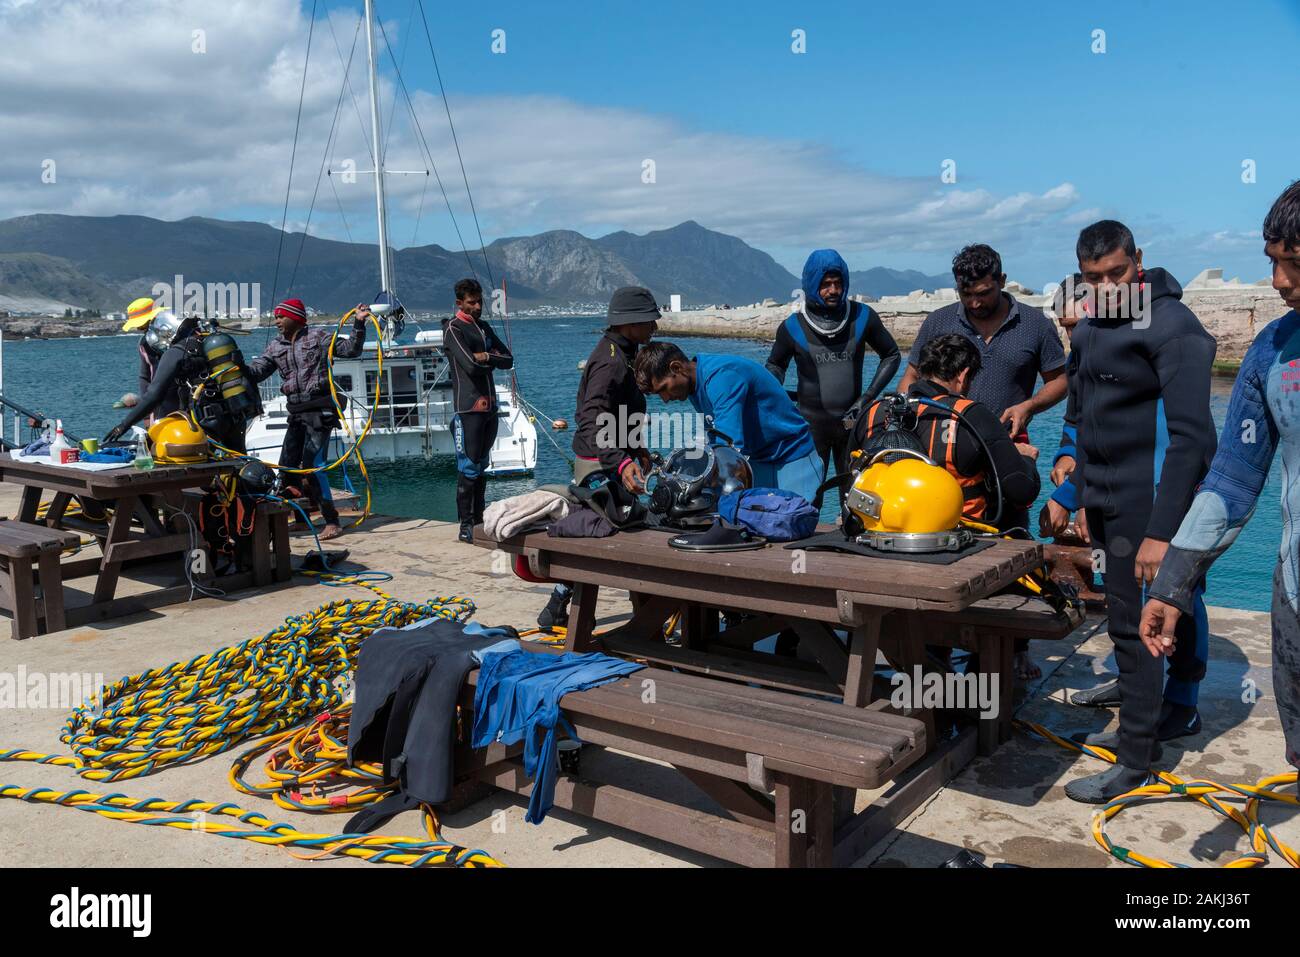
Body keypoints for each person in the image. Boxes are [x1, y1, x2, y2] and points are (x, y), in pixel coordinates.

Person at [1140, 181, 1300, 776]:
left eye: (1295, 262)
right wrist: (1172, 585)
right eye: (1274, 262)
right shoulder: (1271, 352)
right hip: (1294, 596)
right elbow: (1233, 480)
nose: (1279, 281)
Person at [1057, 219, 1217, 804]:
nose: (1106, 288)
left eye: (1117, 274)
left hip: (1146, 504)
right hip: (1102, 500)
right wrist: (1076, 498)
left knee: (1137, 628)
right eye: (1093, 278)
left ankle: (1137, 762)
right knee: (1122, 622)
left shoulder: (1173, 327)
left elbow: (1193, 439)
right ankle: (1146, 728)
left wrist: (1161, 531)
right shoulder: (1093, 324)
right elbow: (1081, 418)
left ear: (1139, 261)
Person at [898, 244, 1066, 530]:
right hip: (945, 457)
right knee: (938, 528)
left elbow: (1061, 381)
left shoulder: (1035, 325)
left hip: (1008, 449)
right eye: (966, 294)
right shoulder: (939, 321)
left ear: (1002, 281)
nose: (975, 303)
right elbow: (911, 378)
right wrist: (902, 425)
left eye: (984, 293)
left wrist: (1029, 406)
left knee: (1011, 532)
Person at [538, 286, 659, 629]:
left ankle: (561, 607)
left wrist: (638, 450)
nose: (655, 326)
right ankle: (641, 619)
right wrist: (620, 462)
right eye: (649, 319)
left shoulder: (625, 353)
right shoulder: (610, 360)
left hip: (616, 457)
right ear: (629, 322)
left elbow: (623, 414)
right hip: (600, 462)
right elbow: (591, 420)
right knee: (611, 533)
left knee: (609, 531)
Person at [860, 333, 1040, 530]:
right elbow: (1021, 491)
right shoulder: (971, 415)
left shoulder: (874, 412)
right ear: (963, 375)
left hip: (884, 530)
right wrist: (1026, 458)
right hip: (960, 533)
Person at [766, 249, 900, 480]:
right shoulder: (793, 327)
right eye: (826, 284)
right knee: (810, 497)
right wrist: (778, 398)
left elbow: (891, 355)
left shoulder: (862, 316)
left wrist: (866, 398)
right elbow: (775, 367)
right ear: (811, 283)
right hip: (810, 427)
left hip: (852, 423)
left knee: (854, 495)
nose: (834, 291)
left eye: (838, 283)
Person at [246, 298, 370, 542]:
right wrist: (233, 365)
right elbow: (257, 372)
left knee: (312, 465)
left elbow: (350, 350)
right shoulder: (275, 346)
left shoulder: (318, 338)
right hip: (297, 412)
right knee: (287, 468)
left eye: (281, 316)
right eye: (276, 316)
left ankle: (332, 521)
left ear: (295, 317)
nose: (277, 321)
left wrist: (358, 323)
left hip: (321, 410)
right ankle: (302, 520)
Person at [634, 342, 821, 502]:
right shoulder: (692, 383)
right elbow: (715, 438)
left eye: (663, 389)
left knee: (793, 525)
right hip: (760, 459)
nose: (665, 399)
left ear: (676, 368)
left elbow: (729, 447)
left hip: (793, 458)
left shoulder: (722, 376)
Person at [104, 310, 253, 453]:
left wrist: (124, 425)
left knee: (204, 468)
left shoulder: (176, 352)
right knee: (239, 462)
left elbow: (154, 395)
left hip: (206, 421)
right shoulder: (209, 343)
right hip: (234, 414)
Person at [444, 278, 514, 544]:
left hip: (489, 408)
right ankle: (465, 524)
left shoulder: (483, 327)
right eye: (471, 302)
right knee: (469, 467)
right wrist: (485, 359)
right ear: (460, 303)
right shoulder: (453, 329)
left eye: (480, 302)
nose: (477, 307)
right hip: (468, 409)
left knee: (482, 465)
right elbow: (470, 366)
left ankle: (479, 519)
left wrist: (487, 357)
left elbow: (508, 359)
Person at [119, 296, 185, 422]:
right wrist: (147, 414)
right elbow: (145, 378)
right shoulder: (144, 344)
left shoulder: (178, 338)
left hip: (181, 397)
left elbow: (145, 378)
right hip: (161, 402)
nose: (139, 329)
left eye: (142, 325)